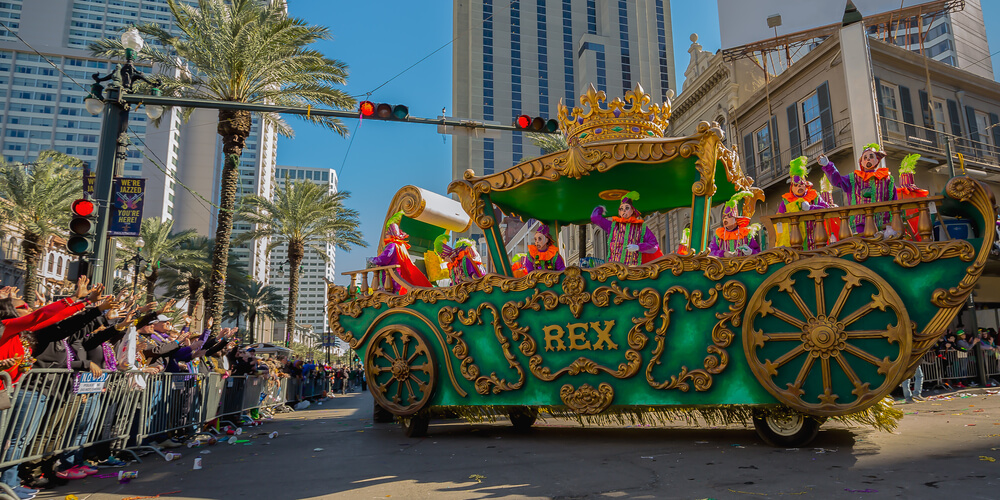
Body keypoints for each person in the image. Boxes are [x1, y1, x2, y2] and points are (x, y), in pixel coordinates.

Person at [820, 143, 898, 234]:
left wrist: (897, 220)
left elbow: (895, 200)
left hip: (883, 225)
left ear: (877, 160)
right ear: (861, 162)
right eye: (865, 157)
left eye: (871, 156)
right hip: (860, 225)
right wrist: (828, 165)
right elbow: (837, 181)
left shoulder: (886, 178)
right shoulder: (853, 178)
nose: (868, 159)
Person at [590, 190, 662, 265]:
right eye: (621, 209)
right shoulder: (613, 226)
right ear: (619, 212)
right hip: (615, 268)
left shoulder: (641, 228)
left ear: (632, 210)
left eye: (627, 208)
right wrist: (601, 208)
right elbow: (595, 218)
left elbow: (654, 245)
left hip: (633, 268)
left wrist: (638, 247)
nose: (624, 210)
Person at [369, 211, 432, 293]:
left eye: (387, 233)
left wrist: (371, 259)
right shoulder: (401, 245)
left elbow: (383, 260)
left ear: (390, 233)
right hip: (398, 276)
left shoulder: (392, 245)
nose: (386, 235)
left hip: (390, 279)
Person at [775, 156, 829, 249]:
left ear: (805, 185)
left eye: (801, 184)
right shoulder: (786, 202)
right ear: (792, 187)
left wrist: (810, 208)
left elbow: (827, 209)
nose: (799, 187)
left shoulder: (814, 196)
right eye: (796, 185)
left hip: (817, 241)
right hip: (796, 244)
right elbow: (778, 223)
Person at [709, 191, 761, 258]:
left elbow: (758, 252)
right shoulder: (719, 235)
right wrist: (723, 253)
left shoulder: (745, 234)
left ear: (736, 219)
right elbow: (710, 252)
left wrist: (751, 252)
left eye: (729, 217)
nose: (725, 219)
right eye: (724, 217)